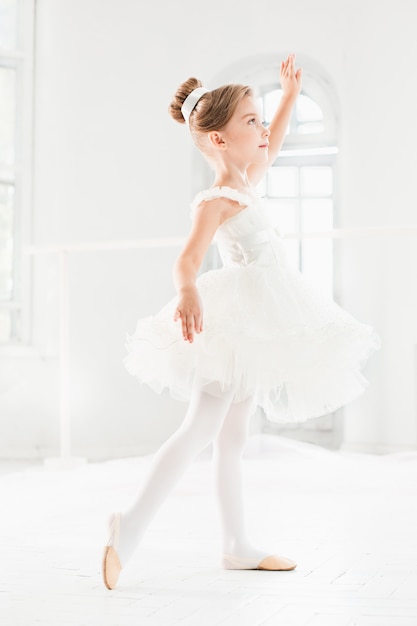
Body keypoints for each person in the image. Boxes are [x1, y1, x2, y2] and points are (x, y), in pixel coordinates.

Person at [102, 54, 380, 590]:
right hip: (234, 321)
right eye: (250, 121)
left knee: (234, 436)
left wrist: (290, 97)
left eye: (259, 119)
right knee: (201, 428)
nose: (261, 129)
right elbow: (186, 258)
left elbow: (269, 147)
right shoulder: (220, 198)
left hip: (257, 322)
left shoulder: (248, 179)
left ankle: (235, 545)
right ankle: (129, 525)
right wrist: (186, 292)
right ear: (219, 141)